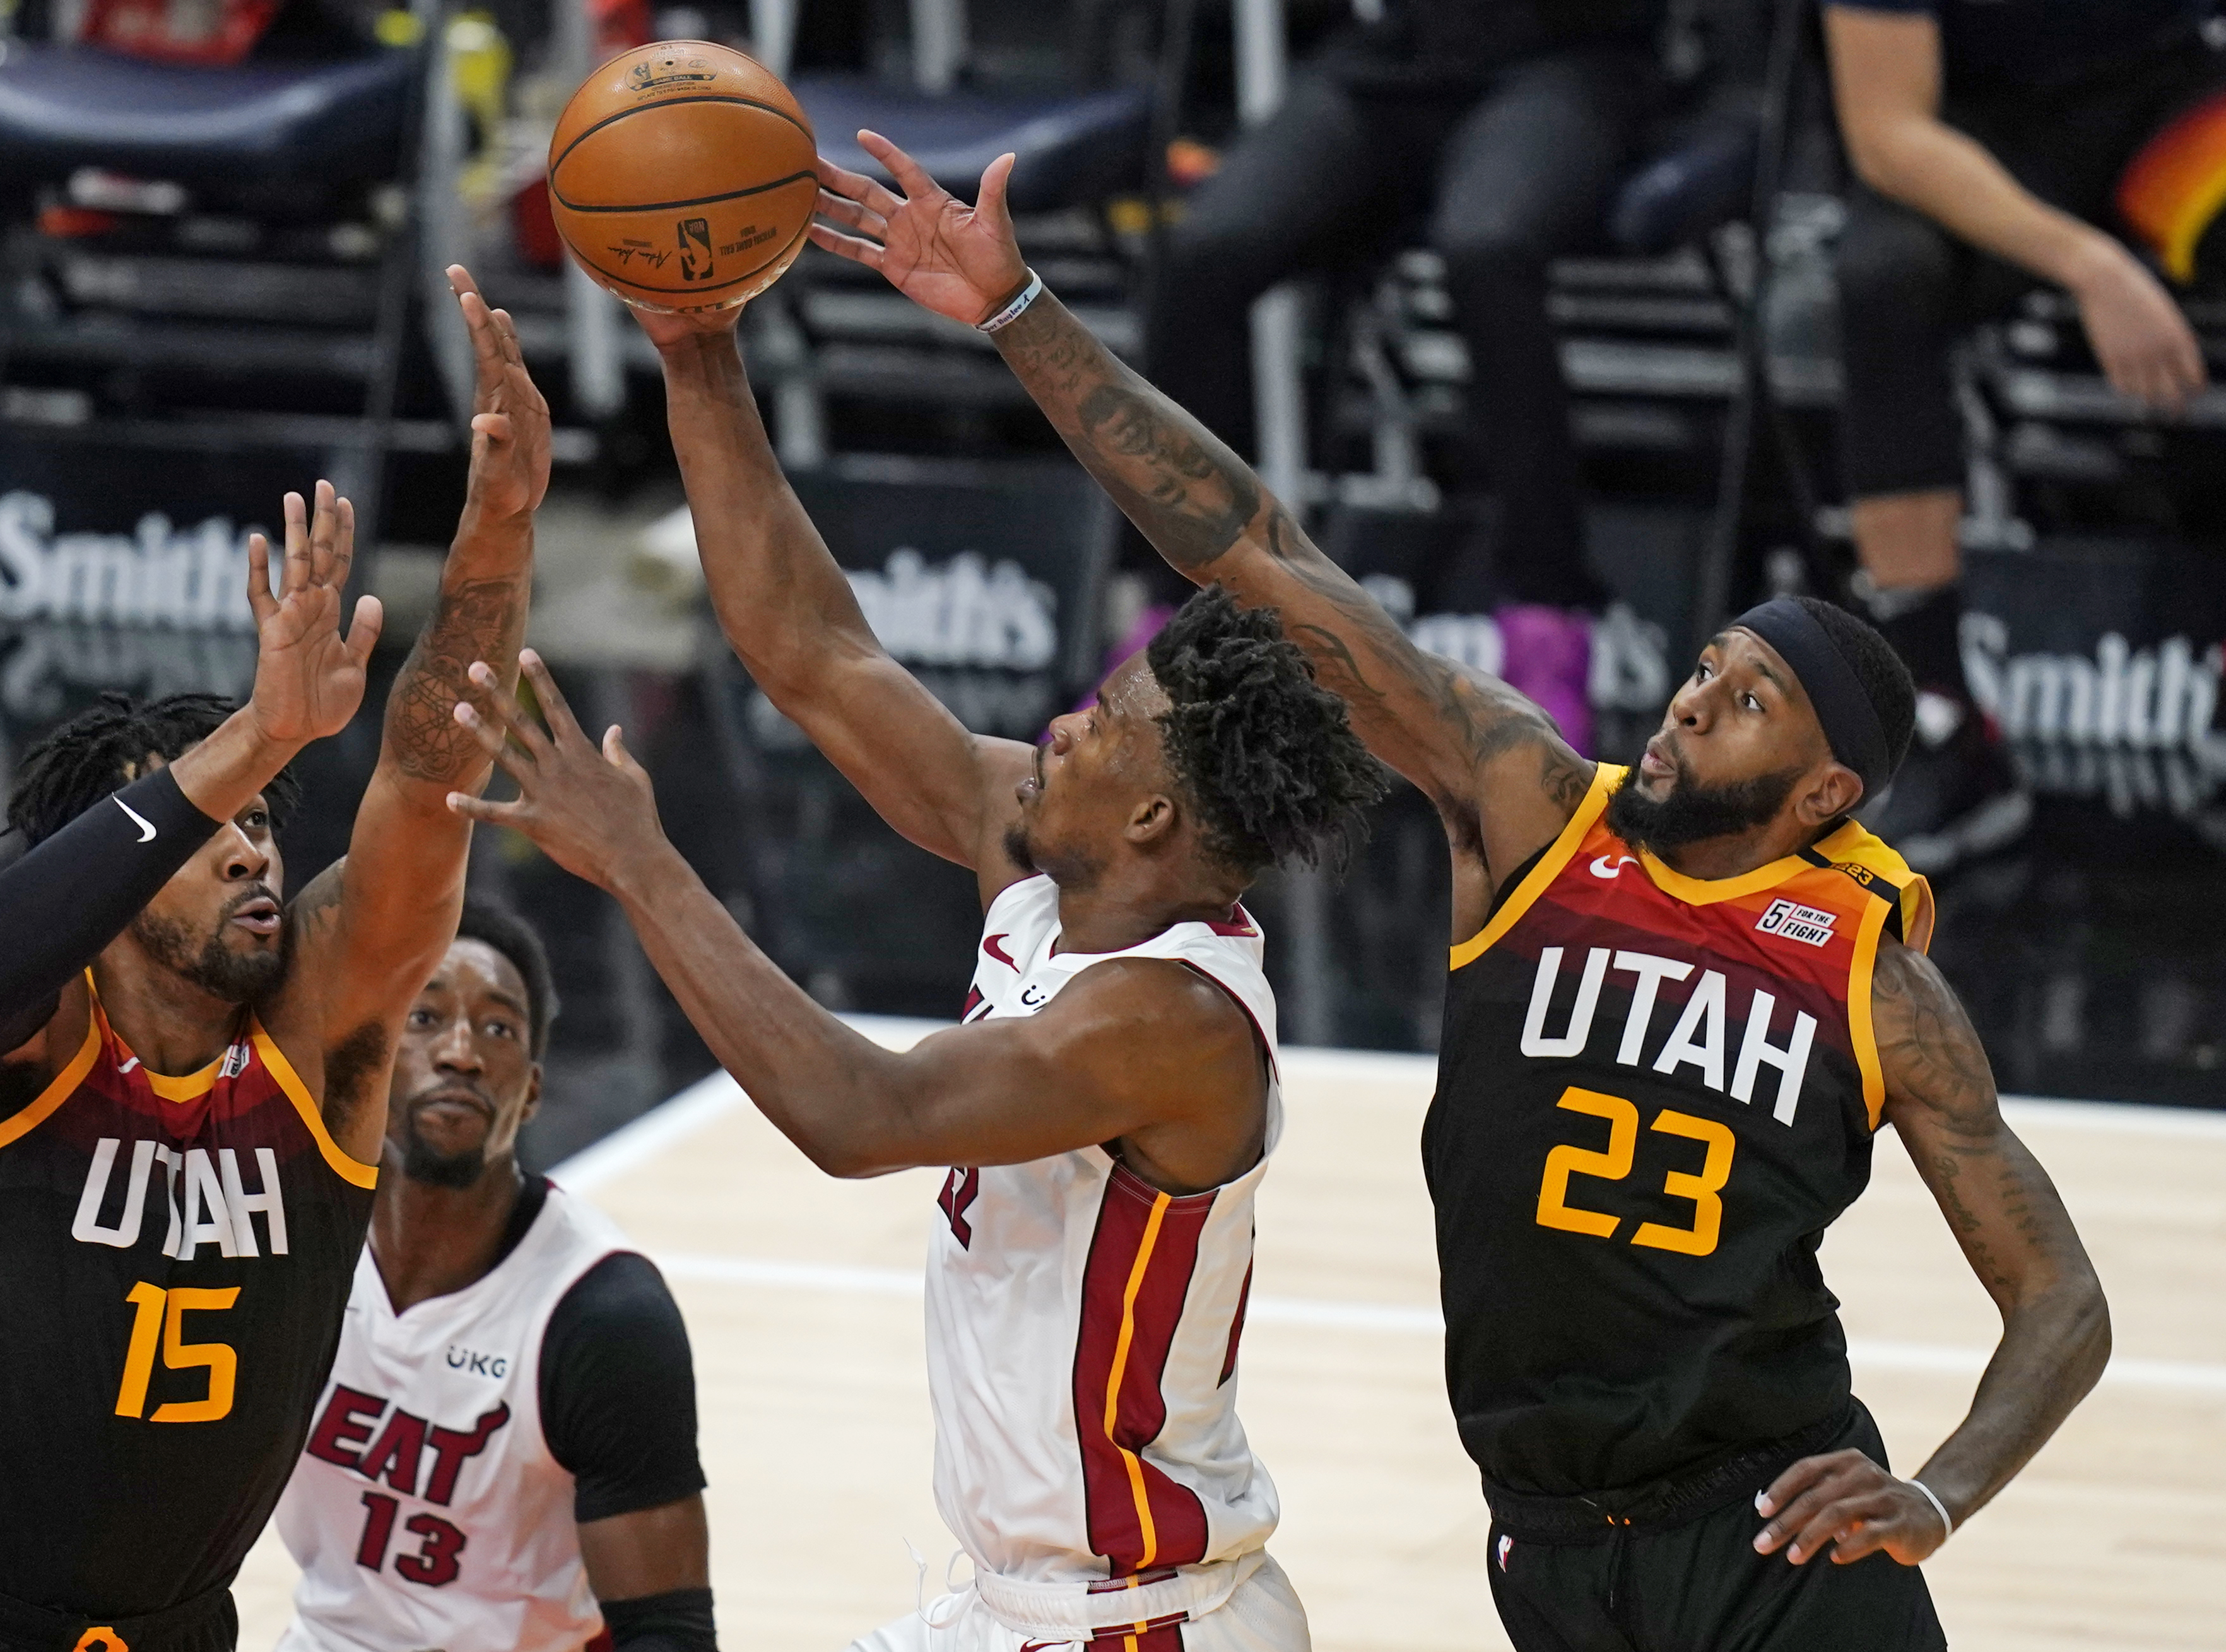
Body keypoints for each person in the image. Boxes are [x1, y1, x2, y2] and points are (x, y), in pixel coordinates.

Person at [813, 132, 2115, 1649]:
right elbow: (1256, 550)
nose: (1693, 701)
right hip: (1546, 1545)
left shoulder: (1867, 977)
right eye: (1707, 666)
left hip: (1765, 1537)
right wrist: (1018, 310)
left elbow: (2062, 1300)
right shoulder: (1535, 810)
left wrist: (1942, 1491)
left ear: (1825, 793)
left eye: (1749, 700)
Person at [443, 278, 1390, 1646]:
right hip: (1023, 1603)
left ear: (1150, 819)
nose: (1061, 728)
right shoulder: (1051, 865)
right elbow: (813, 651)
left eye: (1103, 726)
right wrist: (697, 351)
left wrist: (642, 865)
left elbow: (859, 1116)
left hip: (1136, 1622)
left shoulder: (1168, 1021)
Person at [0, 267, 552, 1652]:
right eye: (214, 826)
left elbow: (428, 776)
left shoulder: (318, 1045)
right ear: (112, 872)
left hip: (173, 1630)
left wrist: (498, 533)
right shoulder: (32, 1043)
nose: (253, 848)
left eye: (263, 821)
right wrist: (253, 737)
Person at [1144, 0, 1669, 755]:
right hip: (1391, 57)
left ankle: (1548, 617)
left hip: (1564, 59)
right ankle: (1179, 618)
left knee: (1487, 246)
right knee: (1207, 249)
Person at [1822, 1, 2226, 869]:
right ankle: (1935, 715)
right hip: (1981, 127)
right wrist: (2090, 264)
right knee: (1883, 276)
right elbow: (1888, 135)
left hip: (2173, 85)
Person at [273, 897, 716, 1652]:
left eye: (498, 1028)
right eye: (425, 1017)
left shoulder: (604, 1315)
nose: (461, 1052)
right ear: (368, 1050)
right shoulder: (289, 1245)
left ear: (533, 1089)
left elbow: (669, 1632)